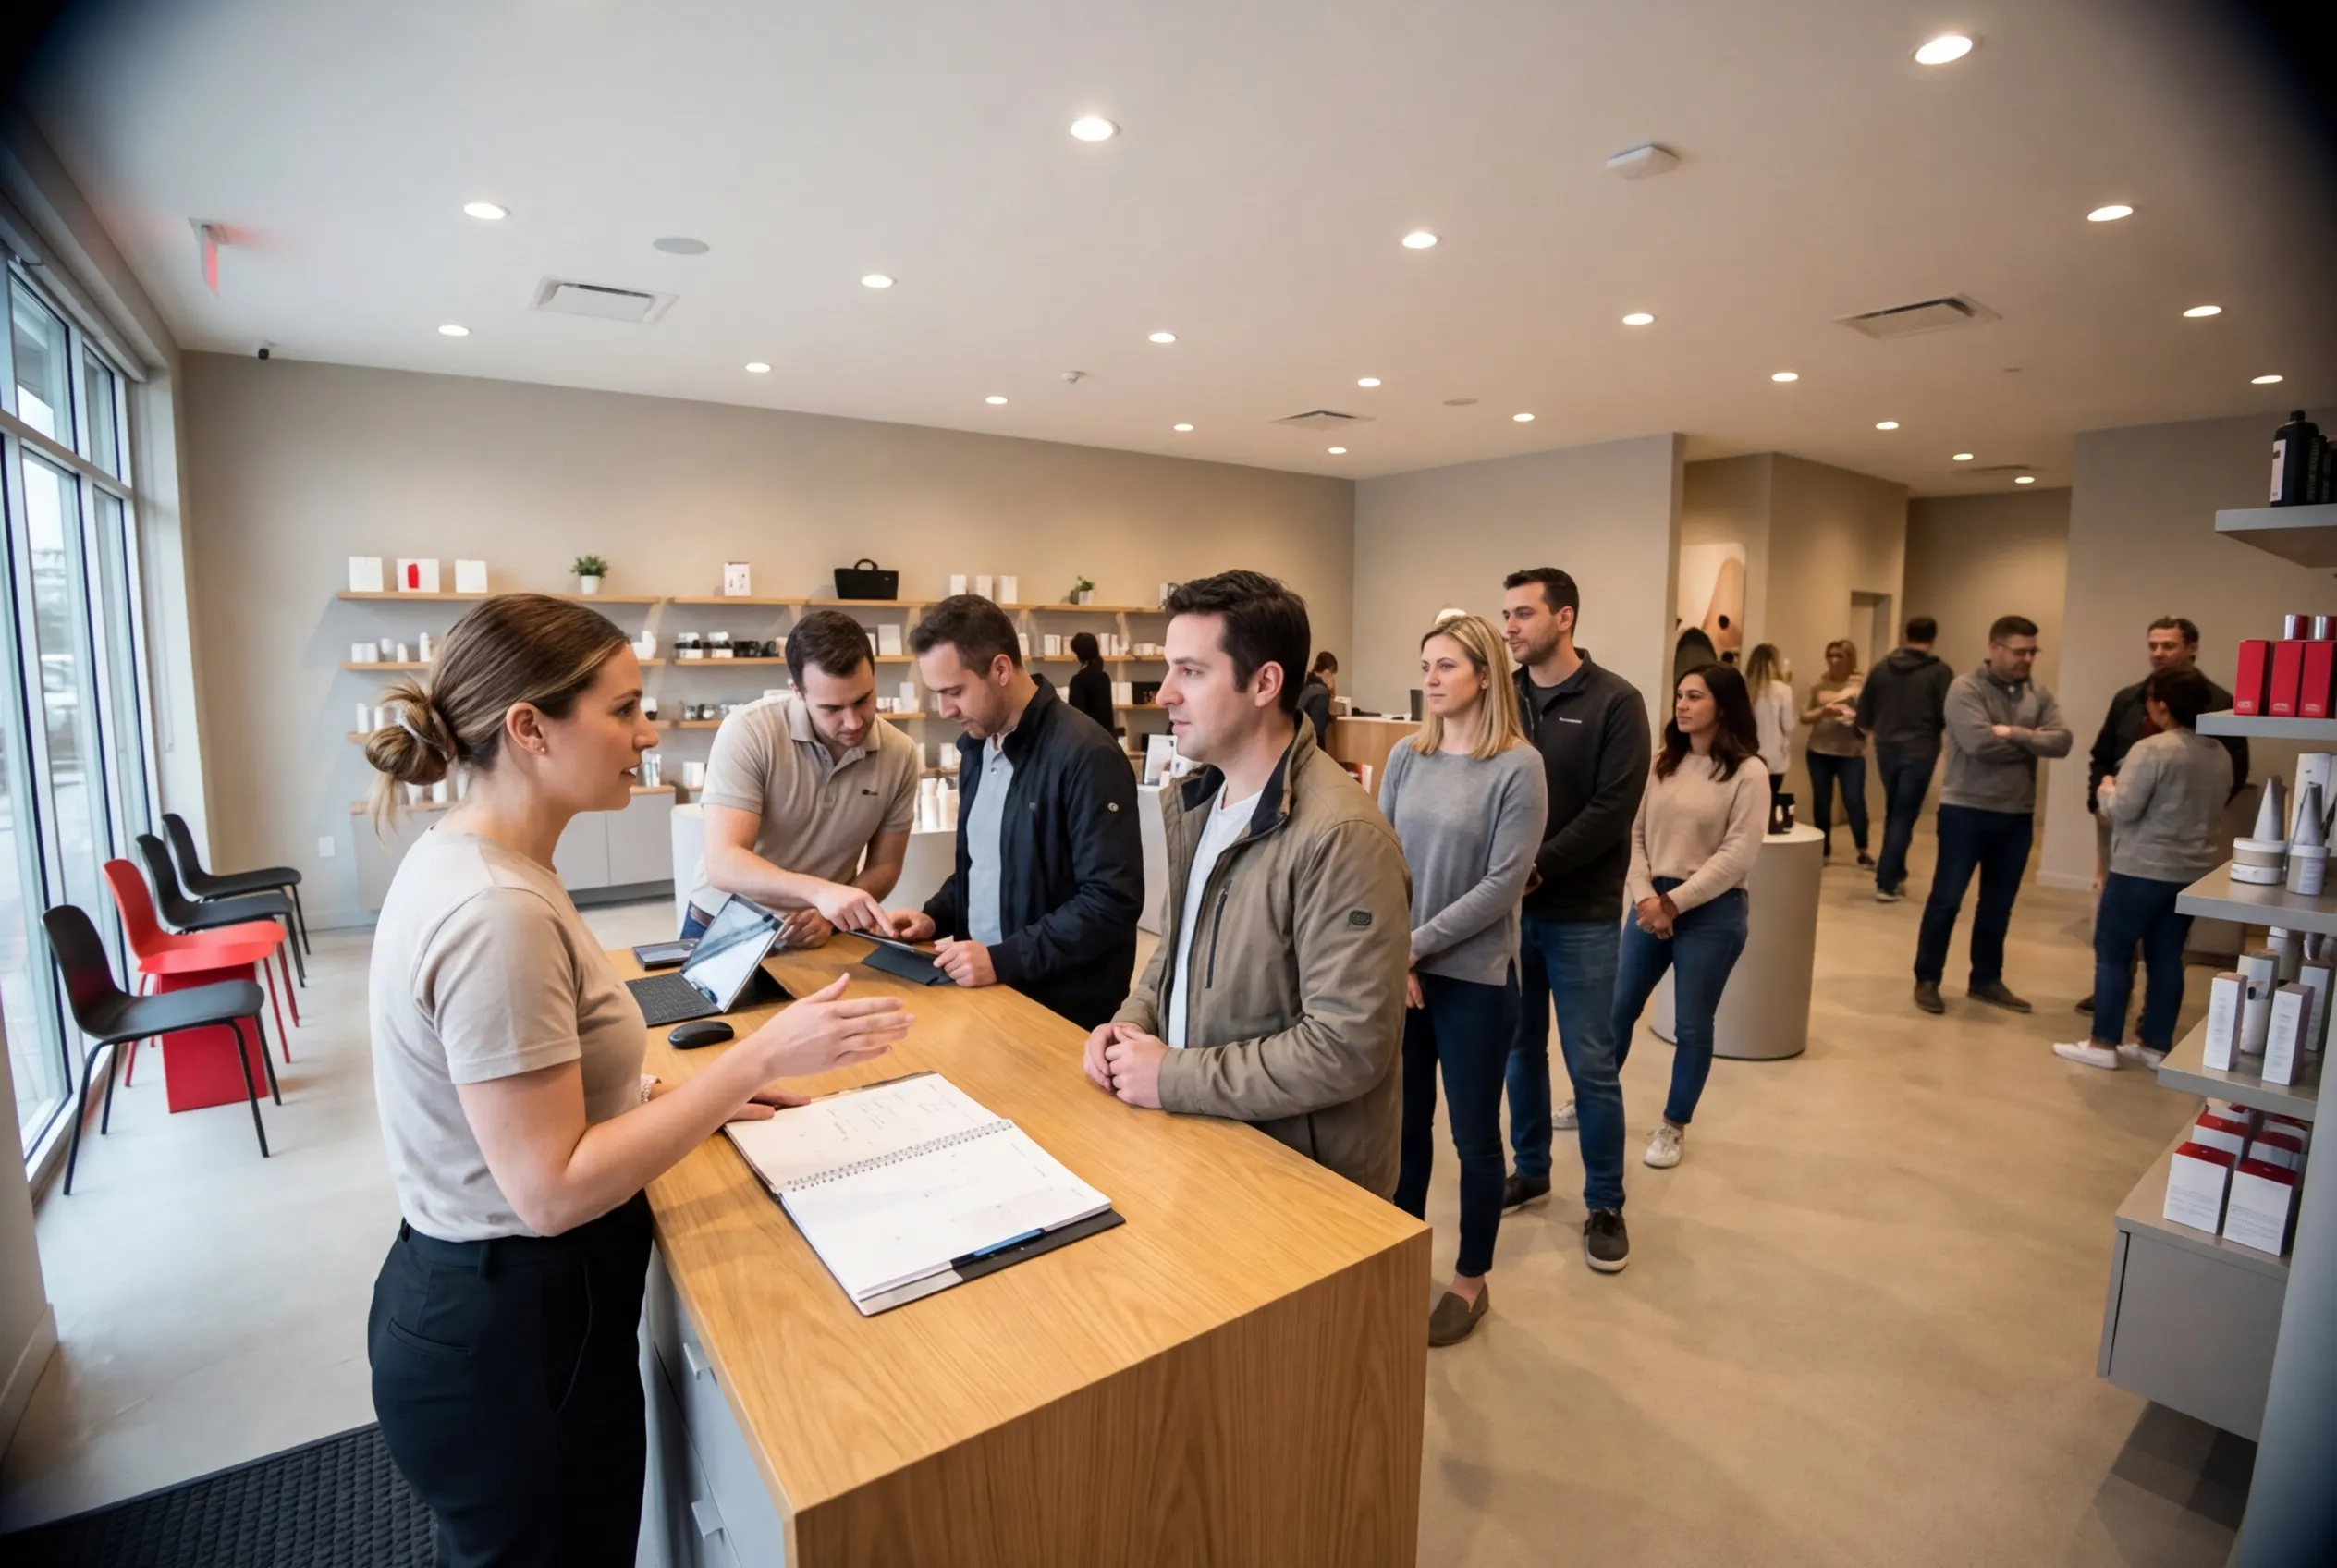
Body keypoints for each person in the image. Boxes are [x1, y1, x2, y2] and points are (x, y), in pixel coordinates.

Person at [360, 594, 909, 1566]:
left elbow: (529, 1103)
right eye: (622, 709)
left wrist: (673, 1100)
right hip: (515, 1336)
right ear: (529, 728)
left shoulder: (488, 866)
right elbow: (550, 1186)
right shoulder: (497, 911)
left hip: (497, 1318)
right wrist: (757, 1054)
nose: (649, 732)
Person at [1083, 571, 1411, 1199]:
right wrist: (1128, 1028)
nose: (1166, 692)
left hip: (1296, 1183)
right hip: (1208, 1145)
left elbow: (1346, 1047)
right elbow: (1173, 957)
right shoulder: (1203, 803)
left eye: (1192, 671)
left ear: (1265, 683)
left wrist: (1173, 1076)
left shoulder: (1342, 835)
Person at [1378, 614, 1544, 1345]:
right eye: (1426, 664)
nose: (1431, 678)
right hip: (1405, 975)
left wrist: (1414, 948)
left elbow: (1503, 885)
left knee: (1475, 1139)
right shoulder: (1406, 757)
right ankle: (1397, 1260)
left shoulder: (1517, 767)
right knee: (1405, 1130)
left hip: (1474, 982)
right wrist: (1398, 956)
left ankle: (1470, 1282)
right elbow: (1381, 860)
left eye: (1446, 665)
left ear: (1485, 675)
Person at [885, 595, 1142, 1027]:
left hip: (1061, 1007)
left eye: (954, 692)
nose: (945, 710)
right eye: (937, 694)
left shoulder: (1086, 755)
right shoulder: (977, 749)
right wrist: (934, 916)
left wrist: (1003, 960)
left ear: (1000, 670)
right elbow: (984, 863)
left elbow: (1110, 901)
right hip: (986, 993)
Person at [1498, 567, 1650, 1275]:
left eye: (1524, 613)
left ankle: (1605, 1203)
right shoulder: (1506, 698)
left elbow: (1612, 810)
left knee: (1591, 1065)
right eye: (1507, 614)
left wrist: (1535, 869)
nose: (1510, 627)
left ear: (1564, 618)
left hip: (1580, 916)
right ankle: (1531, 1168)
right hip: (1509, 916)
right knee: (1519, 1051)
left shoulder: (1616, 701)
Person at [1609, 664, 1768, 1170]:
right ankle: (1594, 1099)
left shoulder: (1749, 772)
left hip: (1712, 911)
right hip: (1649, 901)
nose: (1681, 704)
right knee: (1616, 1009)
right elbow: (1634, 835)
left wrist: (1674, 904)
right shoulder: (1663, 763)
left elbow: (1737, 855)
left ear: (1723, 706)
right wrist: (1644, 898)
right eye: (1679, 695)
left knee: (1693, 1025)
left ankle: (1674, 1125)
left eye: (1694, 696)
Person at [682, 608, 921, 941]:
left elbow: (884, 867)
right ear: (797, 691)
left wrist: (832, 917)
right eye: (832, 709)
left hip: (816, 933)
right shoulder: (749, 731)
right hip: (722, 926)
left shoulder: (901, 753)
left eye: (863, 700)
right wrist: (821, 895)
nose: (853, 722)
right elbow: (725, 862)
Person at [2054, 668, 2233, 1070]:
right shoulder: (2218, 753)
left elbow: (2123, 809)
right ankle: (2155, 1045)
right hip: (2191, 871)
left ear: (2160, 705)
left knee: (2113, 953)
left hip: (2141, 869)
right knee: (2168, 956)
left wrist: (2106, 790)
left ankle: (2103, 1044)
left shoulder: (2151, 750)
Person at [2078, 616, 2245, 1014]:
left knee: (2128, 943)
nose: (2159, 653)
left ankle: (2106, 1035)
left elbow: (2237, 770)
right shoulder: (2129, 697)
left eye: (2168, 645)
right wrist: (2097, 801)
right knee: (2131, 935)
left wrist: (2184, 808)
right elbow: (2102, 756)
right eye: (2153, 645)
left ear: (2192, 648)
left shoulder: (2220, 704)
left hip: (2164, 838)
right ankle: (2122, 1004)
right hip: (2121, 824)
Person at [1913, 615, 2072, 1015]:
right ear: (1994, 648)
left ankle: (1985, 979)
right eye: (2019, 651)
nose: (2027, 659)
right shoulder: (1965, 688)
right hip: (1965, 809)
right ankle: (1927, 978)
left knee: (1998, 904)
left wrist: (2014, 733)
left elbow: (2063, 742)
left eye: (2032, 652)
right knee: (1946, 899)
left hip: (2016, 815)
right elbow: (1978, 743)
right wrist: (2033, 741)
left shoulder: (2039, 694)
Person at [1855, 617, 1953, 902]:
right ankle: (1886, 881)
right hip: (1921, 748)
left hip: (1886, 746)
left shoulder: (1882, 668)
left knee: (1896, 810)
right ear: (1933, 638)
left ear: (1906, 634)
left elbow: (1864, 712)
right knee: (1903, 814)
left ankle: (1895, 873)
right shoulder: (1939, 672)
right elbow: (1949, 713)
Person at [1802, 638, 1871, 867]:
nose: (1833, 660)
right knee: (1822, 801)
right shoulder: (1819, 684)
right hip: (1819, 750)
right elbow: (1804, 716)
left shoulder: (1861, 683)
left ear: (1850, 658)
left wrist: (1855, 716)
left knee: (1854, 801)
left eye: (1839, 656)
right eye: (1830, 655)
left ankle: (1863, 849)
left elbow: (1872, 714)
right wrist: (1824, 711)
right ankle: (1823, 851)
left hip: (1851, 752)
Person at [1743, 643, 1793, 797]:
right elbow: (1789, 725)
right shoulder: (1782, 690)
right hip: (1774, 759)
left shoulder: (1743, 688)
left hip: (1746, 756)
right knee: (1769, 803)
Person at [1065, 631, 1118, 737]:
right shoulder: (1104, 677)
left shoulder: (1079, 681)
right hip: (1106, 739)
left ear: (1079, 655)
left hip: (1087, 741)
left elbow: (1077, 717)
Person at [1298, 651, 1339, 748]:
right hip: (1310, 747)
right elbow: (1318, 730)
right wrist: (1331, 690)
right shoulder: (1322, 693)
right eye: (1333, 674)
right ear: (1327, 672)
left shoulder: (1305, 685)